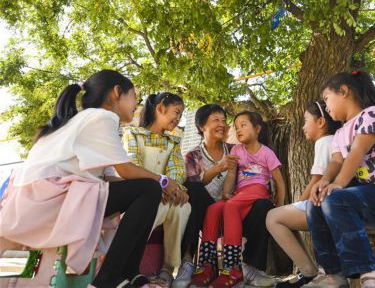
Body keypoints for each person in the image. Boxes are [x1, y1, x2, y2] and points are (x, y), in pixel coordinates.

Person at [0, 70, 181, 288]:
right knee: (149, 189)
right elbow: (126, 170)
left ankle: (130, 274)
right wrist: (163, 181)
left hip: (28, 204)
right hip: (50, 202)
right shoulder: (102, 117)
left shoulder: (75, 121)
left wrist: (151, 187)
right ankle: (111, 277)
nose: (137, 104)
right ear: (117, 92)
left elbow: (110, 180)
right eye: (135, 96)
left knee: (145, 190)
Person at [305, 70, 375, 288]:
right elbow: (336, 162)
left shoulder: (372, 114)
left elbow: (358, 150)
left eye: (327, 98)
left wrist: (338, 184)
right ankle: (333, 275)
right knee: (317, 202)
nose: (326, 106)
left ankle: (372, 275)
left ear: (345, 92)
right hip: (363, 200)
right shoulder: (339, 134)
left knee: (336, 198)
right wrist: (325, 181)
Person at [179, 104, 275, 287]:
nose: (222, 124)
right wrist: (220, 167)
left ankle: (250, 268)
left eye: (224, 120)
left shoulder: (236, 150)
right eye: (216, 120)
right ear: (202, 126)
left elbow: (256, 172)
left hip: (236, 207)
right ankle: (190, 263)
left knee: (263, 204)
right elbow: (193, 185)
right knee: (194, 189)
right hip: (204, 211)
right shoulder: (192, 156)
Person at [266, 100, 341, 287]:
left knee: (273, 218)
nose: (303, 126)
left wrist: (298, 202)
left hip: (326, 205)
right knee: (284, 216)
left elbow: (317, 180)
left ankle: (308, 271)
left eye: (306, 120)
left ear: (321, 122)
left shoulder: (325, 141)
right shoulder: (335, 140)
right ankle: (309, 272)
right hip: (333, 203)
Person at [122, 92, 191, 287]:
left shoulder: (173, 142)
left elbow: (177, 171)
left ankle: (168, 269)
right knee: (152, 206)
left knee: (183, 208)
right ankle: (127, 264)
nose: (178, 119)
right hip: (139, 196)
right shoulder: (132, 134)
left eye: (181, 115)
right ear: (160, 108)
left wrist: (176, 190)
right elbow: (132, 165)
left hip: (166, 195)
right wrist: (159, 187)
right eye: (176, 113)